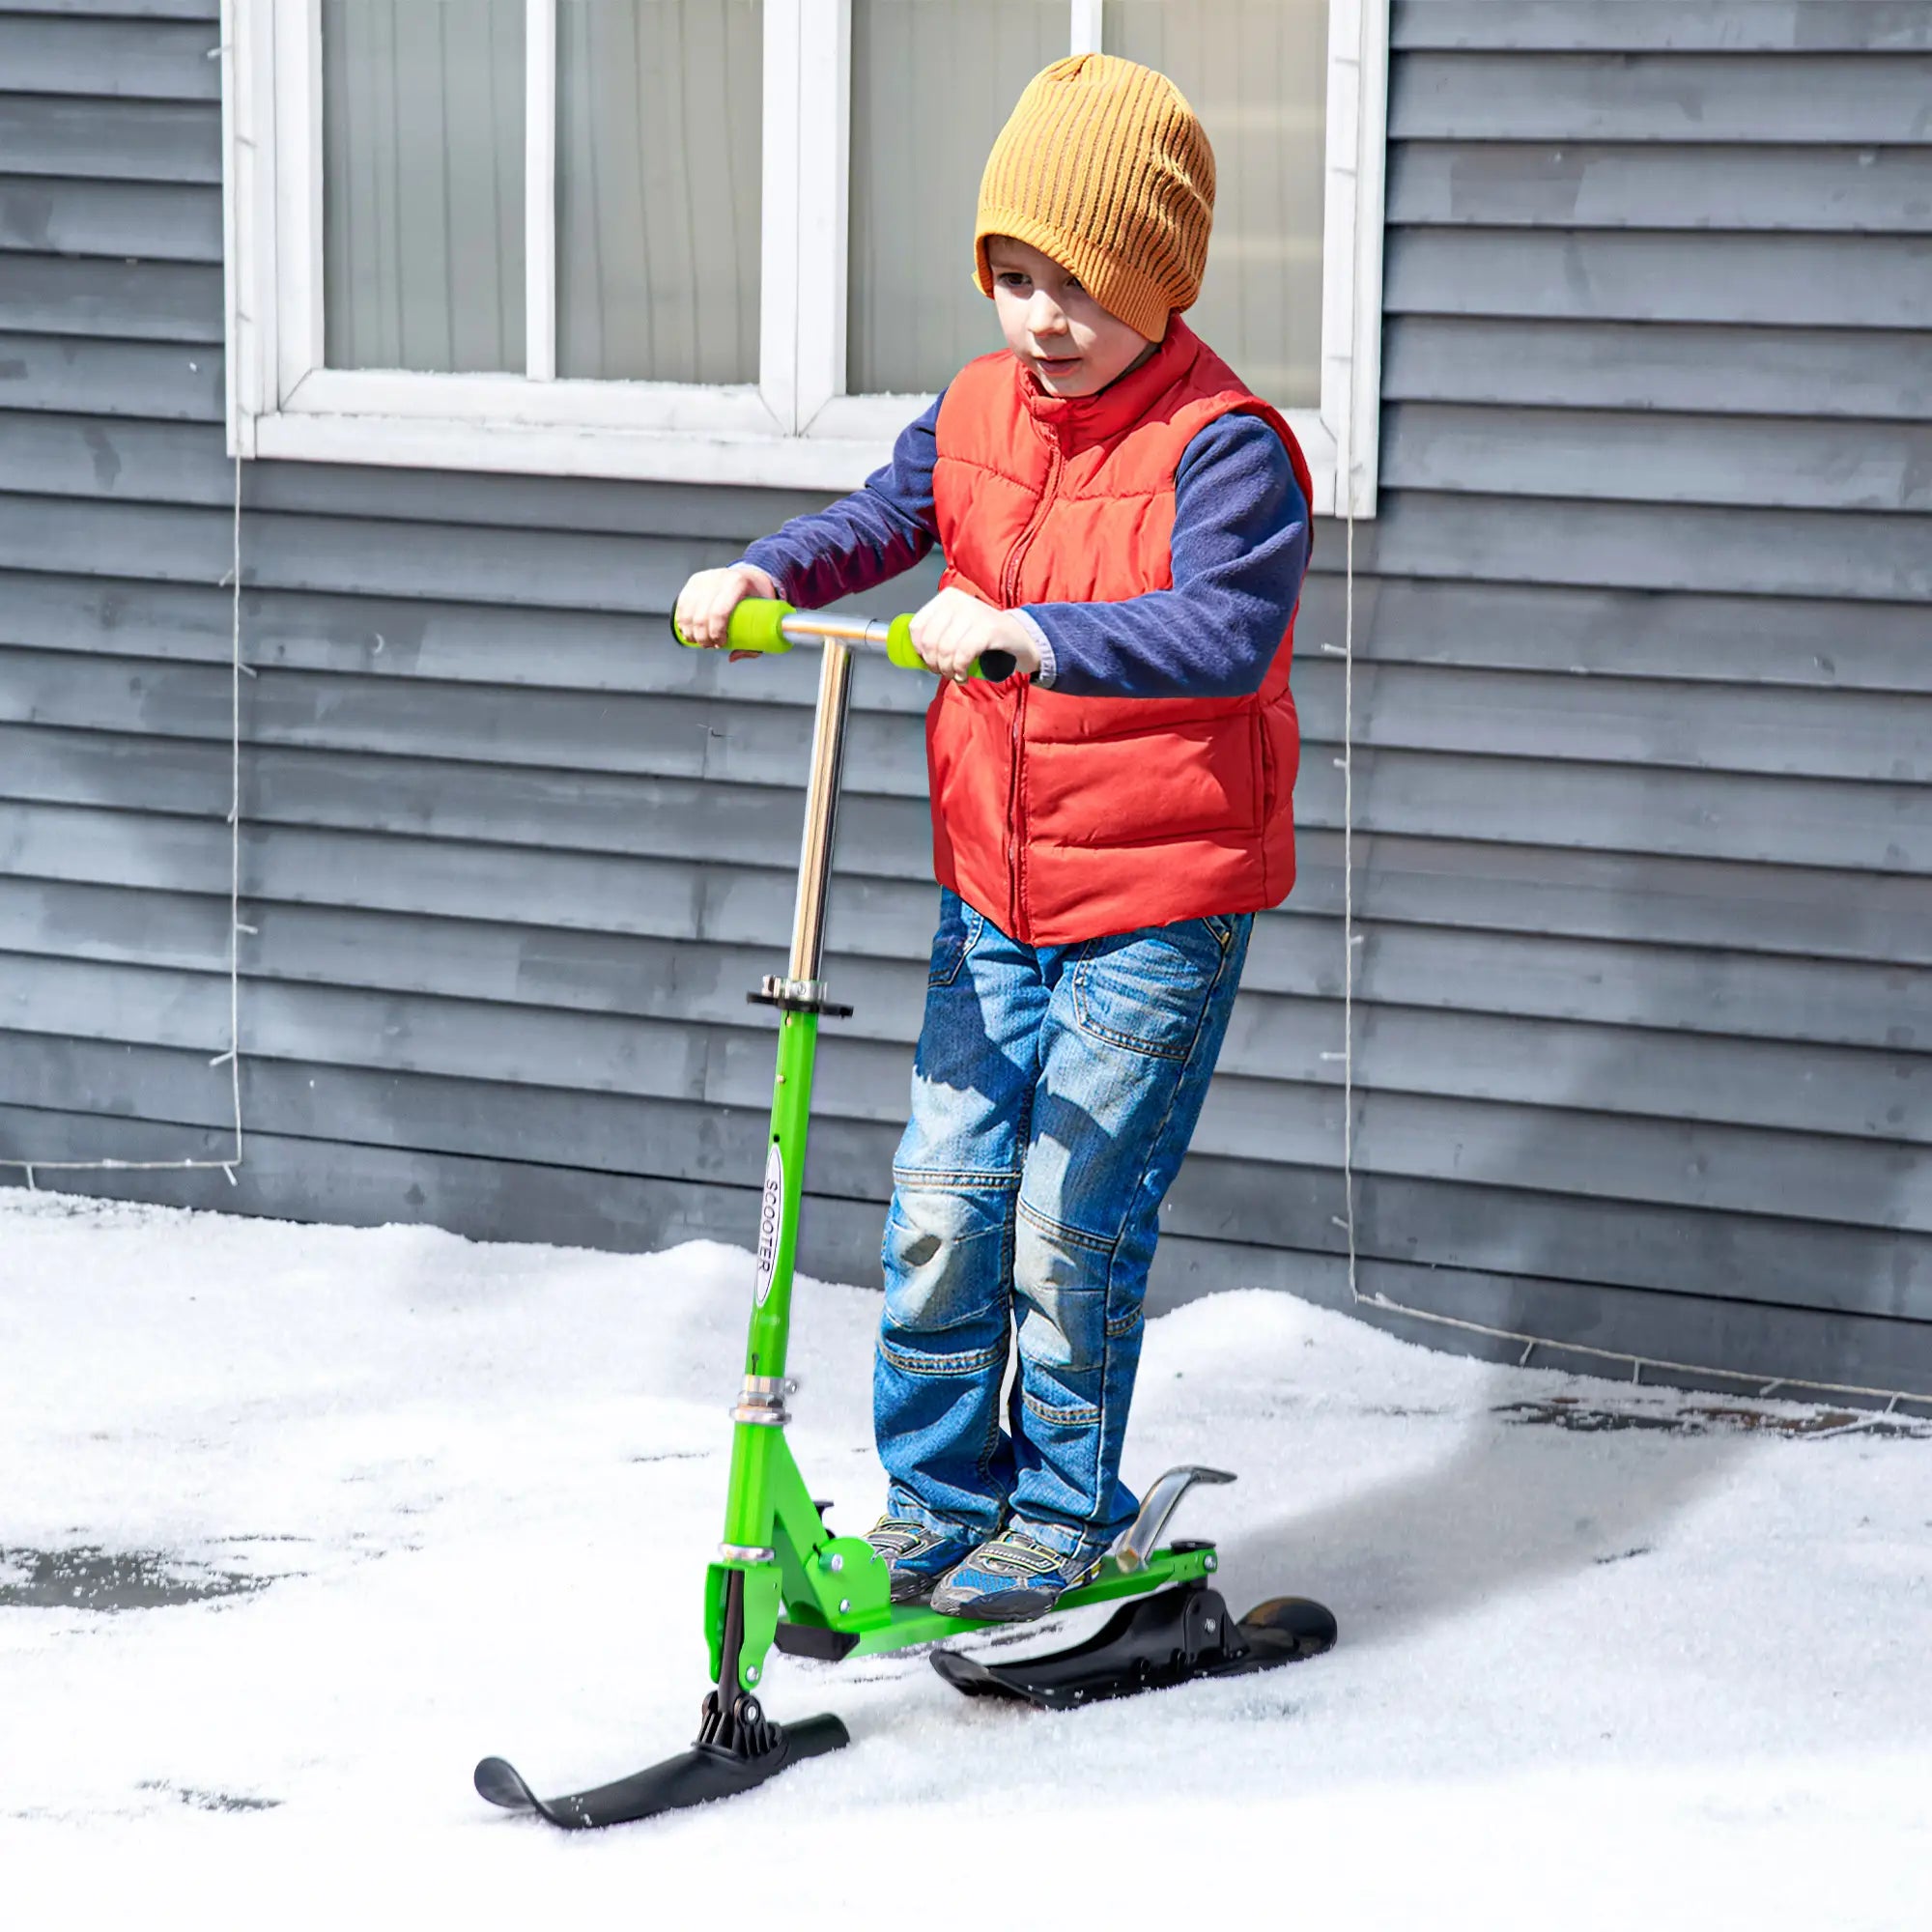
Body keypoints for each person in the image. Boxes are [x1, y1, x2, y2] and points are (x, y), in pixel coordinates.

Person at [674, 53, 1312, 1622]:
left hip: (1156, 901)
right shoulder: (975, 408)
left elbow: (1225, 630)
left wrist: (1037, 634)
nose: (1041, 318)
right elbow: (886, 521)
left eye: (1080, 287)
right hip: (995, 891)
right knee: (944, 1206)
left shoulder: (1226, 447)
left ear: (1159, 283)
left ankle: (1060, 1515)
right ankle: (937, 1502)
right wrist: (770, 574)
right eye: (1015, 277)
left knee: (1065, 1217)